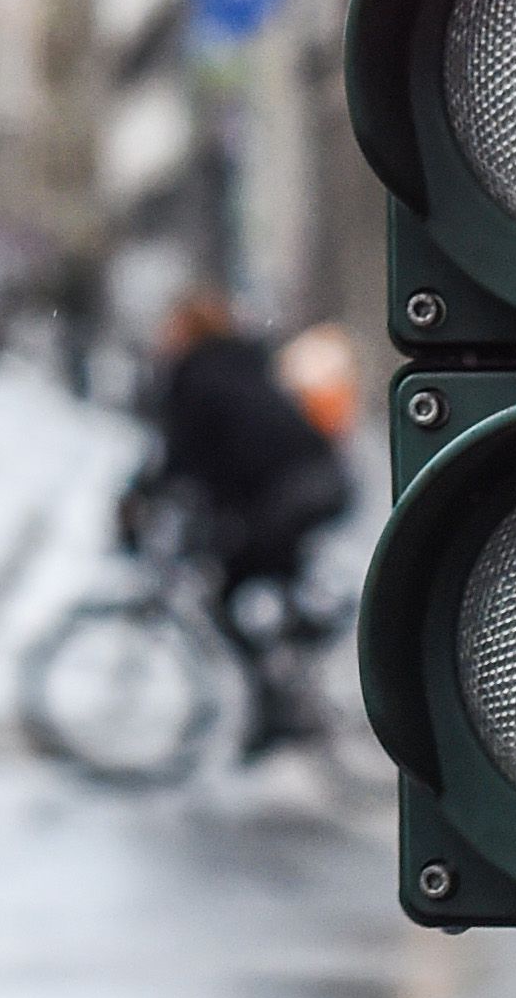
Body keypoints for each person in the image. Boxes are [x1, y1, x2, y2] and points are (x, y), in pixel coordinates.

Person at [118, 289, 356, 761]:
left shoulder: (197, 373)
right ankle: (286, 673)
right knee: (244, 577)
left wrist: (136, 500)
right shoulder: (232, 362)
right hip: (315, 483)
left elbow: (180, 455)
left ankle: (279, 700)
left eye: (173, 327)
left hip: (294, 493)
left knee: (230, 586)